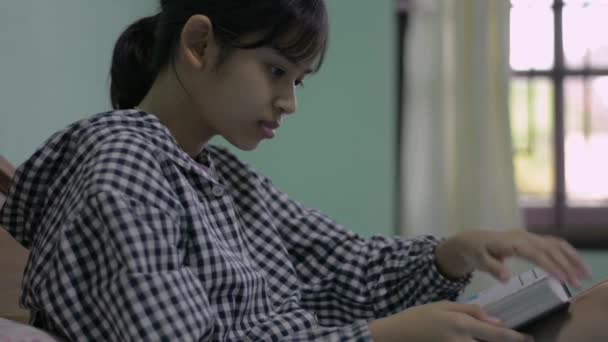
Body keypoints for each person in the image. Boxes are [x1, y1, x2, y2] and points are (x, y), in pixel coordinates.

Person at [0, 0, 591, 341]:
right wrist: (381, 337)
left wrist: (453, 253)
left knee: (586, 311)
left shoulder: (224, 179)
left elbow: (345, 267)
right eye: (276, 72)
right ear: (200, 44)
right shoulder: (119, 160)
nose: (290, 102)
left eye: (297, 81)